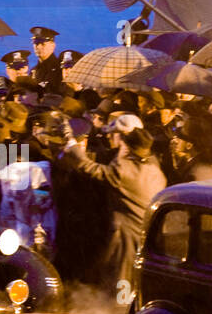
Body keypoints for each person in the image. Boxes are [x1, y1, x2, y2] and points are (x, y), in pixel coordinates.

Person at [53, 121, 167, 291]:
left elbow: (89, 167)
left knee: (121, 279)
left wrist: (71, 143)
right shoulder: (155, 171)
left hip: (123, 238)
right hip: (143, 236)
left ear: (128, 148)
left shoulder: (124, 171)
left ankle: (119, 306)